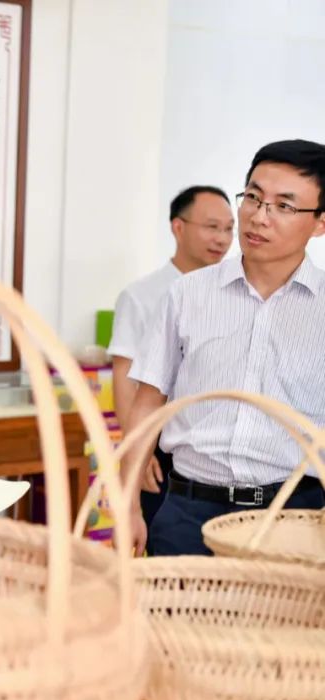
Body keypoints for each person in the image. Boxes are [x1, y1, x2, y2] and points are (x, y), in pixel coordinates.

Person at [125, 140, 325, 557]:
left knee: (279, 626)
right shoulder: (186, 295)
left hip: (294, 517)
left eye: (284, 206)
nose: (259, 216)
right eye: (252, 197)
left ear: (320, 222)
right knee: (172, 622)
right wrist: (127, 505)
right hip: (187, 510)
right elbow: (148, 402)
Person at [108, 186, 233, 545]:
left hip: (212, 446)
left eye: (229, 229)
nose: (222, 239)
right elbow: (125, 375)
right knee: (166, 544)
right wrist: (136, 449)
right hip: (161, 445)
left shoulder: (232, 293)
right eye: (211, 227)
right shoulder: (142, 295)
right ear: (178, 227)